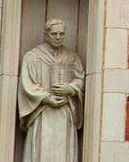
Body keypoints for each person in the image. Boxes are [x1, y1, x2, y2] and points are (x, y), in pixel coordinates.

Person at [19, 19, 84, 162]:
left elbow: (80, 79)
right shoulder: (32, 57)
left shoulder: (72, 57)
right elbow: (27, 84)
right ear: (46, 34)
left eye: (61, 33)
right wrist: (47, 98)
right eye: (54, 33)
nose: (58, 37)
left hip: (65, 111)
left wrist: (70, 88)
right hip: (42, 111)